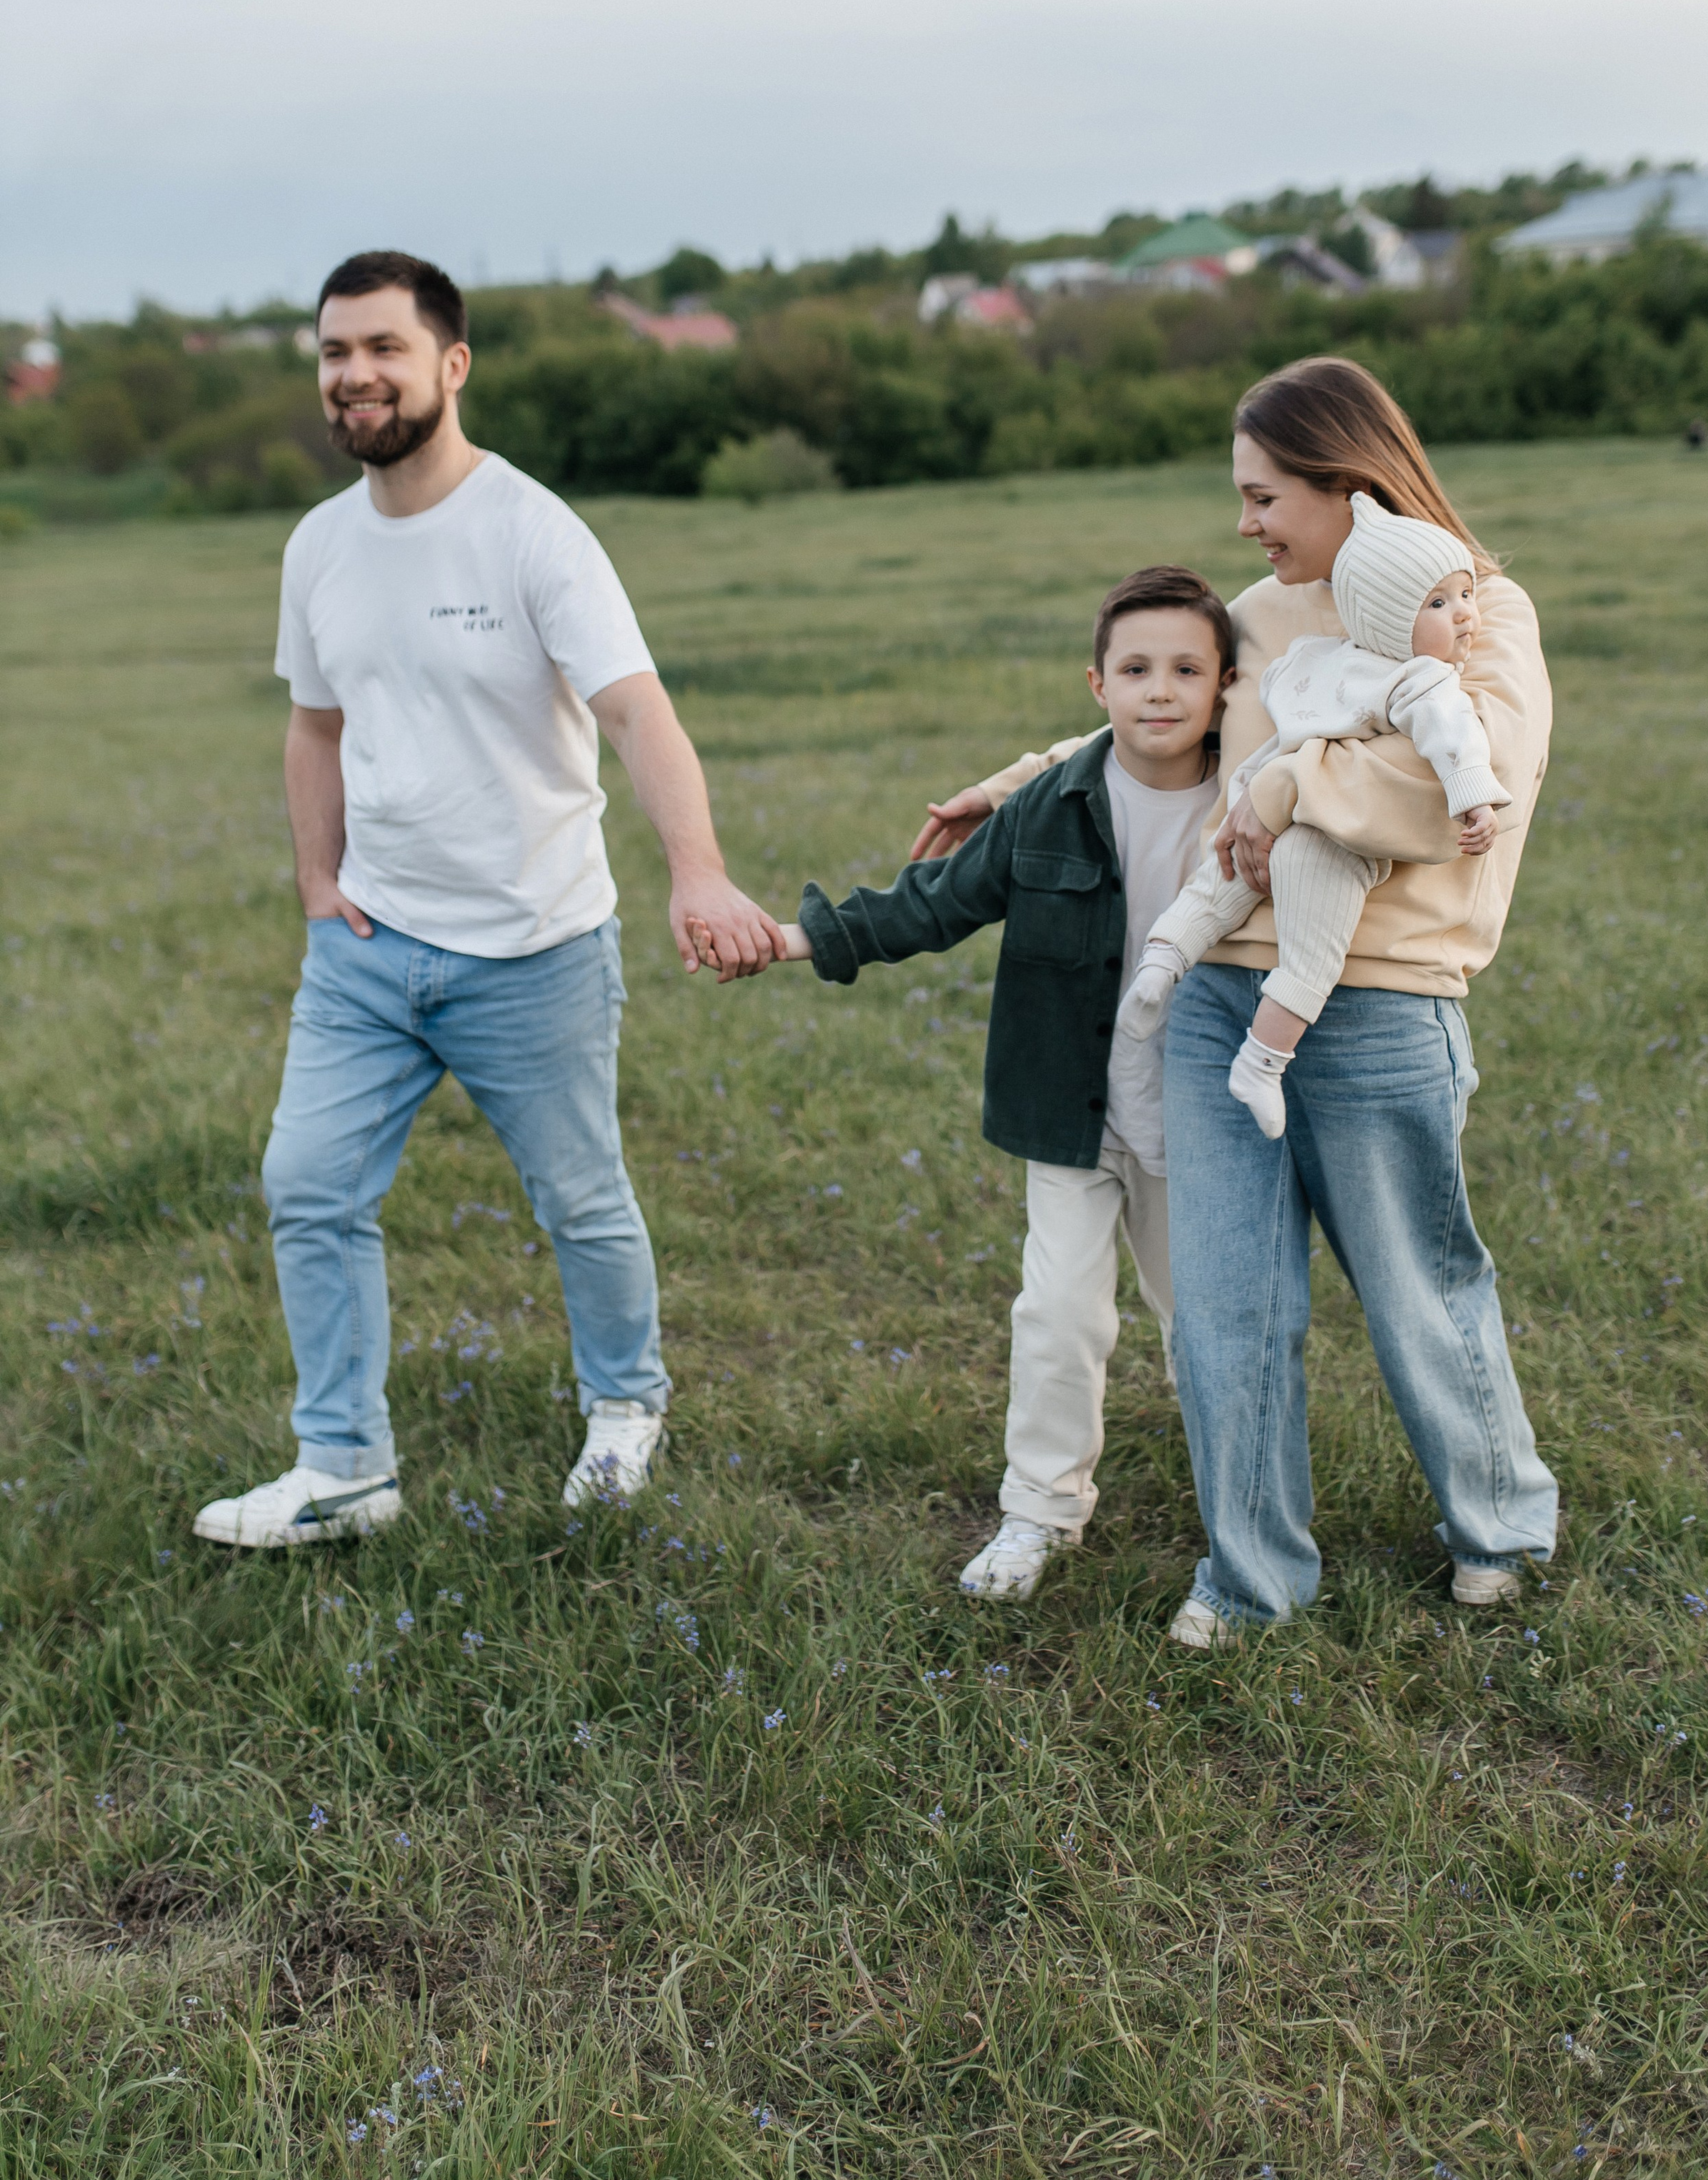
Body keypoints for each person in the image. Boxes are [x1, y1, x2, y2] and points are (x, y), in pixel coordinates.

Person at [914, 357, 1557, 1645]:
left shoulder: (1473, 608)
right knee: (1223, 1306)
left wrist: (1281, 792)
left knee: (1416, 1285)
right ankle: (1252, 1576)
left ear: (1346, 481)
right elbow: (1162, 729)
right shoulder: (1257, 616)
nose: (1248, 522)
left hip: (1378, 1004)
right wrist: (1020, 779)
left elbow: (1458, 796)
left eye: (1265, 495)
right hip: (1217, 997)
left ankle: (1502, 1529)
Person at [192, 249, 784, 1551]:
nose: (354, 374)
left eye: (383, 349)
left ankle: (626, 1409)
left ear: (449, 365)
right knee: (309, 1185)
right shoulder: (320, 545)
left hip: (534, 949)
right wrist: (316, 882)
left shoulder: (532, 530)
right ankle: (345, 1468)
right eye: (336, 352)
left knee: (580, 1199)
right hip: (366, 948)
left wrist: (696, 868)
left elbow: (637, 710)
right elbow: (313, 725)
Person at [694, 567, 1232, 1599]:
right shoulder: (1052, 806)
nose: (1159, 691)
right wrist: (789, 941)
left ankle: (1244, 1514)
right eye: (1135, 669)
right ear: (1096, 684)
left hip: (1203, 1114)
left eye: (1185, 670)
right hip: (1069, 1108)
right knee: (1059, 1316)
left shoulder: (1254, 795)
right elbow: (930, 904)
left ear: (1224, 686)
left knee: (1206, 1322)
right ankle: (1038, 1514)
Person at [1117, 493, 1504, 1140]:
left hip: (1252, 797)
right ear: (1387, 616)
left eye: (1465, 595)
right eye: (1439, 603)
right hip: (1327, 839)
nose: (1467, 617)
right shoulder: (1423, 681)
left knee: (1218, 887)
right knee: (1311, 955)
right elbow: (1454, 741)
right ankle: (1263, 1063)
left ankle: (1160, 964)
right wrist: (1475, 799)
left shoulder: (1314, 655)